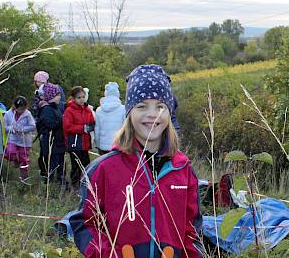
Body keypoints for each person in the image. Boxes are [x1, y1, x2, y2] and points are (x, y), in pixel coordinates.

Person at [68, 64, 202, 257]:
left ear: (169, 113)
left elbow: (192, 231)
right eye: (141, 106)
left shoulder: (183, 169)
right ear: (129, 113)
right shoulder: (103, 169)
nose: (152, 114)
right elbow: (85, 223)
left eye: (160, 106)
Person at [63, 86, 95, 188]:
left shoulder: (87, 110)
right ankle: (75, 185)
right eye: (79, 97)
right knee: (76, 165)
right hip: (75, 142)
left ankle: (86, 184)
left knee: (87, 164)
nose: (82, 99)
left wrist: (91, 126)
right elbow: (67, 127)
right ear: (73, 98)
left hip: (85, 142)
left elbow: (91, 122)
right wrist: (82, 128)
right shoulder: (69, 110)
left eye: (83, 97)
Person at [4, 96, 37, 184]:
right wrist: (10, 129)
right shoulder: (8, 114)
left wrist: (23, 129)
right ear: (14, 107)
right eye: (20, 109)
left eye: (24, 109)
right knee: (10, 152)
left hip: (24, 141)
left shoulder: (27, 114)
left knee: (24, 158)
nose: (22, 111)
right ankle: (15, 160)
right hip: (13, 139)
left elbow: (32, 126)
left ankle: (24, 177)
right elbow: (5, 126)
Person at [38, 83, 66, 185]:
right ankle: (49, 182)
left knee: (61, 162)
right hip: (51, 142)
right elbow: (49, 124)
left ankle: (60, 180)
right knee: (52, 163)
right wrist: (62, 121)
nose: (59, 97)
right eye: (57, 95)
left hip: (59, 141)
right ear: (51, 95)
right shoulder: (46, 109)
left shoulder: (56, 108)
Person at [94, 82, 125, 154]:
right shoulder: (123, 109)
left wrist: (98, 145)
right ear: (117, 94)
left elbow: (97, 130)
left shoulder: (99, 110)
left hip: (103, 147)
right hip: (118, 146)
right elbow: (125, 129)